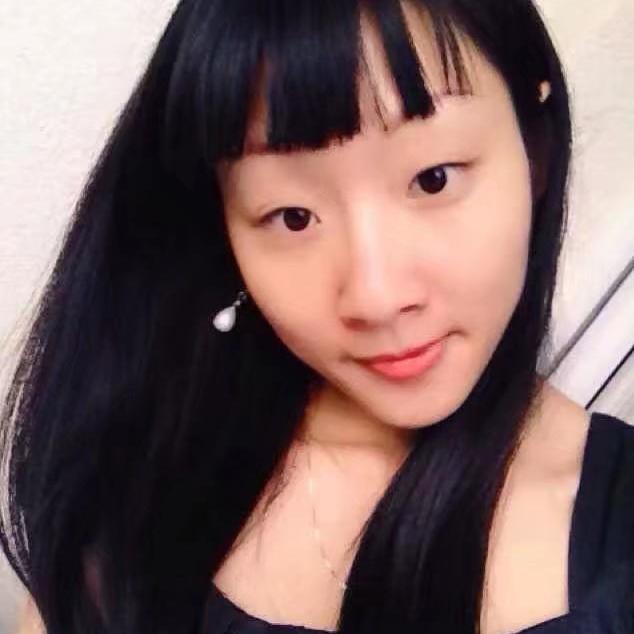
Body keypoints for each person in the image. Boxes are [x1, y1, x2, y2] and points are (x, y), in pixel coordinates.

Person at [2, 0, 632, 633]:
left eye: (434, 179)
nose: (377, 297)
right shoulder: (143, 476)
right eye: (294, 217)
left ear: (534, 148)